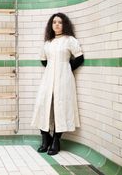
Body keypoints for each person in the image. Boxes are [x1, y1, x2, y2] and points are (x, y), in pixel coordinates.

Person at [31, 13, 84, 155]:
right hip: (48, 78)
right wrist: (52, 69)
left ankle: (56, 141)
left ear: (64, 24)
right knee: (43, 105)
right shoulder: (47, 43)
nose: (57, 24)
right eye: (54, 22)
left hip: (64, 78)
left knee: (61, 107)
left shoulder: (70, 40)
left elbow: (79, 58)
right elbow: (43, 60)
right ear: (51, 25)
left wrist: (66, 68)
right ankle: (45, 138)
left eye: (60, 22)